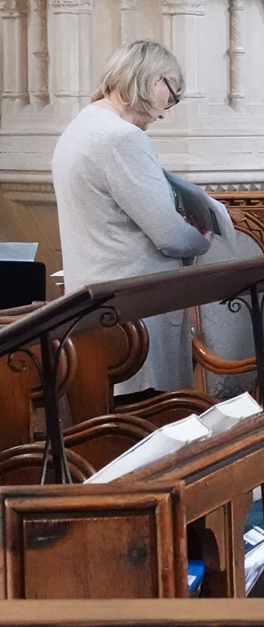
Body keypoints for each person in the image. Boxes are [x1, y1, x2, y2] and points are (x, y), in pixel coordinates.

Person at [51, 40, 219, 392]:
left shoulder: (82, 125)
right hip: (136, 314)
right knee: (152, 424)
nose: (164, 112)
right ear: (154, 80)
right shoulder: (121, 138)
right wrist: (200, 238)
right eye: (171, 97)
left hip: (99, 308)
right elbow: (169, 235)